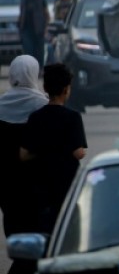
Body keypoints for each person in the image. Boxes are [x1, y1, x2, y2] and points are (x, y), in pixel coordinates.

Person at [20, 64, 87, 234]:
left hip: (41, 184)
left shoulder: (35, 117)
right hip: (66, 183)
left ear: (45, 88)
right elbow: (78, 153)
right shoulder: (73, 117)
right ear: (66, 90)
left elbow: (24, 155)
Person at [0, 56, 49, 239]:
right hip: (37, 180)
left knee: (13, 222)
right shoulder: (43, 105)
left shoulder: (1, 105)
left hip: (7, 179)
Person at [18, 0, 50, 64]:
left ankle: (40, 68)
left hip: (39, 30)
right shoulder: (23, 0)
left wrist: (46, 29)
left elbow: (47, 15)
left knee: (39, 52)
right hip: (26, 30)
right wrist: (20, 28)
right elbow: (21, 15)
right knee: (28, 52)